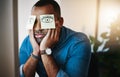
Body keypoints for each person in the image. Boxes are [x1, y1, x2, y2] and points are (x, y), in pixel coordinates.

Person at [19, 0, 91, 77]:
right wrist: (35, 52)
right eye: (34, 21)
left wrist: (44, 51)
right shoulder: (29, 41)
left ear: (59, 22)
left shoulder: (79, 42)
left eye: (46, 20)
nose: (37, 28)